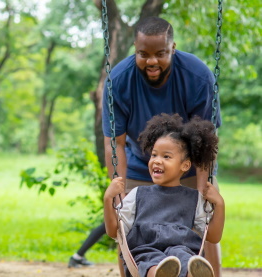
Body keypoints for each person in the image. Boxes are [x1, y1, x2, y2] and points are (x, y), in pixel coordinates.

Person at [69, 16, 222, 276]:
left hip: (191, 162)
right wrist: (117, 186)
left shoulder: (197, 77)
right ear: (134, 50)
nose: (152, 61)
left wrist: (203, 191)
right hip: (142, 166)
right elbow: (114, 142)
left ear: (173, 48)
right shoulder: (119, 81)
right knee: (127, 233)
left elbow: (205, 139)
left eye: (160, 53)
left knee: (203, 224)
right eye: (143, 54)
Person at [103, 113, 225, 277]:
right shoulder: (137, 194)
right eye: (154, 155)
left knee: (184, 256)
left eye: (166, 156)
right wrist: (108, 199)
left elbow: (213, 236)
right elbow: (113, 231)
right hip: (146, 249)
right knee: (151, 259)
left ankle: (192, 273)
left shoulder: (193, 199)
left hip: (180, 247)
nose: (157, 160)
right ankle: (161, 273)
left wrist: (220, 204)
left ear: (185, 165)